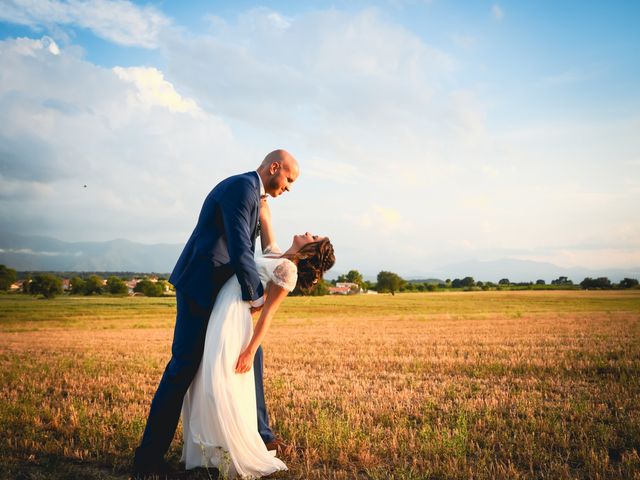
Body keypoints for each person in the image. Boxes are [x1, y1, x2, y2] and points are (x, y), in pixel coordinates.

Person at [133, 150, 300, 477]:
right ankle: (146, 461)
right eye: (289, 179)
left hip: (219, 294)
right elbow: (240, 250)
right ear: (274, 168)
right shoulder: (242, 188)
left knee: (252, 354)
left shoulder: (253, 194)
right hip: (200, 288)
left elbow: (253, 252)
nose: (289, 187)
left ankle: (253, 434)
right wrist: (255, 300)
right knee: (182, 368)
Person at [181, 224, 335, 477]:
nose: (309, 232)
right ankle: (209, 450)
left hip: (233, 318)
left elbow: (267, 316)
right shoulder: (276, 255)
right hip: (221, 309)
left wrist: (250, 351)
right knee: (207, 376)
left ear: (311, 250)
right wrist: (262, 199)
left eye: (315, 237)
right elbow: (266, 224)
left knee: (219, 381)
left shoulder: (288, 270)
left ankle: (226, 447)